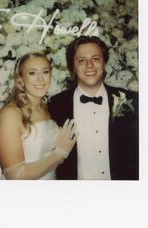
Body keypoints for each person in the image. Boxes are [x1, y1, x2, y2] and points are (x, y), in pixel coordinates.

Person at [0, 52, 78, 180]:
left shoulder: (50, 107)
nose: (40, 79)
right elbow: (15, 176)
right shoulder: (10, 114)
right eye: (32, 73)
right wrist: (59, 154)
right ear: (20, 78)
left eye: (45, 72)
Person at [48, 36, 139, 180]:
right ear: (73, 66)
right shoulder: (56, 104)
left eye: (95, 58)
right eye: (81, 60)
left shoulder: (133, 101)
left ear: (104, 62)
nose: (89, 65)